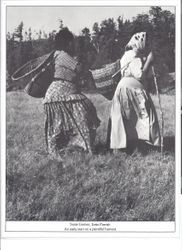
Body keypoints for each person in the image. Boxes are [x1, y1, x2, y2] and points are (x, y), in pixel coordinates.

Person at [43, 28, 100, 160]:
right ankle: (80, 149)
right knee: (83, 115)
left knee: (66, 122)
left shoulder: (60, 55)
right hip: (60, 94)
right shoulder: (61, 55)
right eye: (72, 42)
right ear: (67, 43)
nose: (74, 45)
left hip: (61, 94)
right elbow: (79, 68)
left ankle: (69, 149)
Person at [108, 32, 161, 153]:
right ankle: (144, 146)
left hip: (123, 89)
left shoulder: (128, 54)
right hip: (132, 90)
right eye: (145, 43)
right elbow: (140, 75)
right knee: (142, 117)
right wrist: (149, 61)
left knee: (127, 119)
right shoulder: (133, 55)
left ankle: (126, 147)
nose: (146, 46)